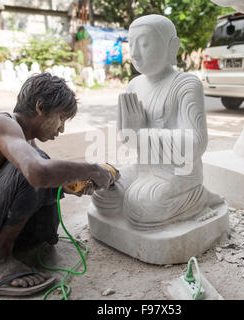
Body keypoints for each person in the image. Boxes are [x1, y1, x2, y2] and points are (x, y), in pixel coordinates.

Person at [0, 72, 115, 296]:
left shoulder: (23, 139)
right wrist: (93, 169)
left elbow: (41, 178)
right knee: (36, 166)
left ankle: (7, 252)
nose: (62, 128)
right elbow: (36, 173)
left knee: (41, 165)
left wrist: (74, 184)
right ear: (40, 107)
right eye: (61, 118)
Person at [91, 15, 224, 230]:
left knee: (140, 205)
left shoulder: (186, 84)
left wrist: (141, 133)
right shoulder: (134, 85)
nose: (134, 53)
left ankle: (198, 197)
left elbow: (196, 143)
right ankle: (161, 200)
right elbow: (128, 139)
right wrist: (130, 132)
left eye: (144, 44)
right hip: (145, 167)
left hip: (179, 173)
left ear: (172, 47)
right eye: (131, 44)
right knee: (103, 195)